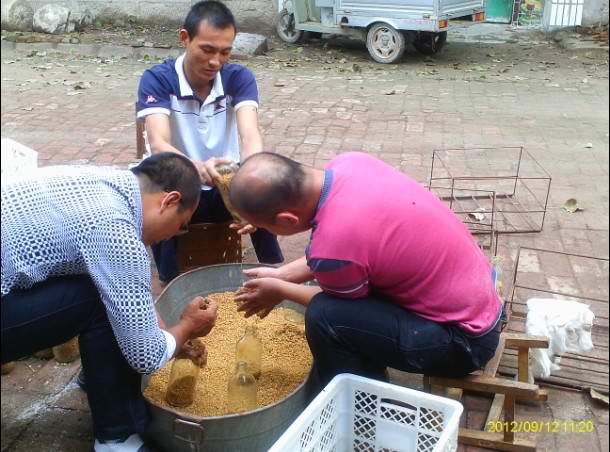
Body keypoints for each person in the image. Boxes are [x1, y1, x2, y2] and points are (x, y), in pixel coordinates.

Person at [1, 153, 218, 452]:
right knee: (100, 303)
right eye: (181, 224)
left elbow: (110, 272)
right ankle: (118, 438)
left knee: (108, 289)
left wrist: (150, 319)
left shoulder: (103, 181)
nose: (173, 236)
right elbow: (146, 355)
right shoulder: (116, 229)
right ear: (169, 201)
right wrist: (186, 328)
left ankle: (99, 379)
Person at [230, 152, 502, 387]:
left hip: (465, 342)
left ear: (287, 220)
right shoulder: (349, 163)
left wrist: (280, 290)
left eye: (266, 228)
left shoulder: (335, 244)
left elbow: (336, 305)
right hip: (480, 298)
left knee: (323, 318)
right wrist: (282, 274)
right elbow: (338, 254)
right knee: (336, 298)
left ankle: (361, 407)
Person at [136, 0, 283, 285]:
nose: (216, 61)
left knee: (263, 184)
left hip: (224, 184)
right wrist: (196, 167)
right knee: (161, 198)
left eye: (225, 52)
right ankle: (171, 282)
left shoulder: (239, 78)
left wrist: (252, 181)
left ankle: (275, 273)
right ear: (185, 38)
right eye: (207, 49)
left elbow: (251, 136)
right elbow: (159, 142)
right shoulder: (158, 78)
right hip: (181, 183)